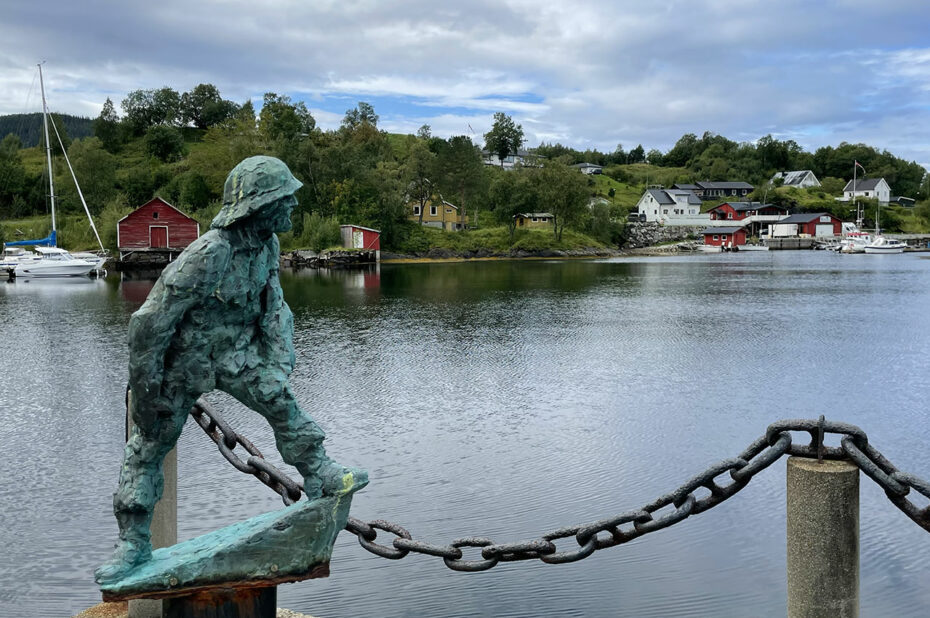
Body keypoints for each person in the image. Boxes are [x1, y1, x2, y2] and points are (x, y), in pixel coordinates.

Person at [95, 156, 366, 584]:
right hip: (185, 361)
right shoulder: (209, 253)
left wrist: (278, 358)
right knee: (149, 446)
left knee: (283, 406)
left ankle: (320, 473)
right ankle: (132, 545)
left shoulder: (267, 246)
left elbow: (274, 303)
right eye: (287, 200)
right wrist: (147, 394)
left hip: (238, 353)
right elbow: (149, 323)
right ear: (261, 205)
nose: (294, 208)